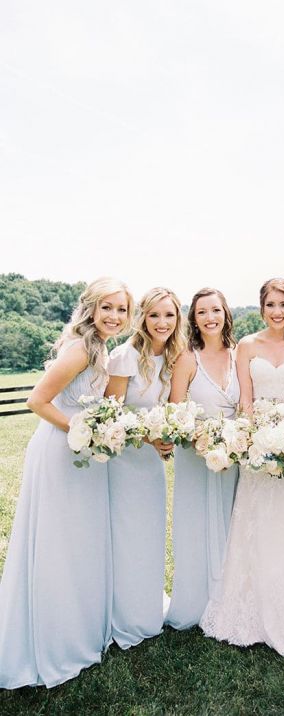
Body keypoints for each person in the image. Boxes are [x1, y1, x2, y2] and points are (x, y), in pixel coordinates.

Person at [0, 277, 134, 689]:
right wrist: (81, 431)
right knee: (60, 541)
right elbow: (37, 400)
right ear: (91, 309)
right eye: (106, 307)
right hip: (62, 452)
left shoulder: (101, 348)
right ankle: (54, 639)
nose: (114, 316)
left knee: (81, 541)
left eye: (121, 309)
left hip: (83, 455)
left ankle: (81, 625)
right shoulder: (79, 349)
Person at [200, 278, 284, 656]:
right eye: (270, 304)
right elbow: (246, 401)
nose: (277, 311)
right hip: (257, 446)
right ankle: (252, 610)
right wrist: (253, 440)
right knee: (256, 524)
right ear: (262, 307)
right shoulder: (247, 345)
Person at [105, 287, 185, 649]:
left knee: (150, 533)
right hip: (123, 460)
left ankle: (146, 606)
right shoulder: (125, 357)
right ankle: (124, 612)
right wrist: (149, 437)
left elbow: (169, 407)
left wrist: (167, 435)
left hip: (151, 464)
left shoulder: (173, 356)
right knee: (126, 534)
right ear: (142, 318)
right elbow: (111, 416)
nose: (162, 322)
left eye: (169, 315)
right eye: (154, 315)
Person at [166, 288, 239, 630]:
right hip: (195, 457)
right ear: (193, 319)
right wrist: (203, 441)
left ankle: (230, 600)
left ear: (226, 313)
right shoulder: (186, 358)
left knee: (232, 524)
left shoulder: (240, 356)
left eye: (215, 310)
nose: (210, 318)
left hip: (235, 457)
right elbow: (175, 412)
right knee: (195, 523)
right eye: (201, 312)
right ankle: (195, 602)